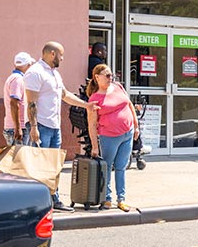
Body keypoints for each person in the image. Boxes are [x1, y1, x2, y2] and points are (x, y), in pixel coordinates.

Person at [25, 41, 99, 212]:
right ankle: (38, 203)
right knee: (39, 166)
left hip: (54, 126)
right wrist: (34, 126)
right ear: (52, 54)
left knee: (54, 165)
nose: (63, 58)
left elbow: (64, 95)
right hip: (41, 126)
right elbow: (31, 102)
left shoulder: (54, 74)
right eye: (61, 55)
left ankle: (53, 199)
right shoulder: (35, 73)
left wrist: (86, 105)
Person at [86, 63, 139, 212]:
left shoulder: (118, 87)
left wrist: (136, 125)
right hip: (109, 137)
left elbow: (129, 105)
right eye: (107, 75)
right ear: (97, 77)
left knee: (121, 167)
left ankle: (121, 199)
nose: (111, 78)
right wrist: (95, 146)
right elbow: (92, 124)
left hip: (126, 134)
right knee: (107, 167)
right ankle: (107, 198)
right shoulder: (95, 99)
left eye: (112, 75)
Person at [3, 52, 35, 146]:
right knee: (19, 160)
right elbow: (14, 103)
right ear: (28, 65)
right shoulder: (18, 79)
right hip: (18, 127)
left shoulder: (15, 78)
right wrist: (17, 128)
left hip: (17, 127)